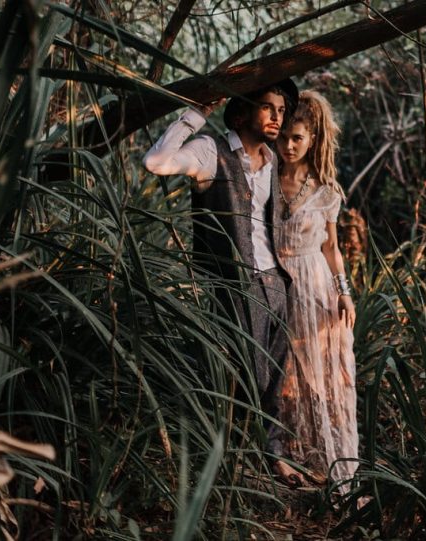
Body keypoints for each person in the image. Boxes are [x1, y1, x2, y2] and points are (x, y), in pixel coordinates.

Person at [142, 81, 304, 483]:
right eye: (267, 108)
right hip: (235, 284)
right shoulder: (210, 152)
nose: (276, 117)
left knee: (273, 377)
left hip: (275, 282)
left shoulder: (270, 161)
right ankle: (228, 461)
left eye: (281, 111)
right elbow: (157, 162)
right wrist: (196, 114)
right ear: (240, 115)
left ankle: (271, 455)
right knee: (249, 374)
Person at [271, 90, 358, 488]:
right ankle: (282, 457)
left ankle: (322, 460)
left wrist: (345, 291)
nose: (288, 145)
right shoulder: (265, 174)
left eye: (297, 138)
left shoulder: (326, 191)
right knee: (281, 372)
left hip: (315, 285)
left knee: (317, 375)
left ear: (313, 140)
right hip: (274, 280)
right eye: (284, 135)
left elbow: (332, 249)